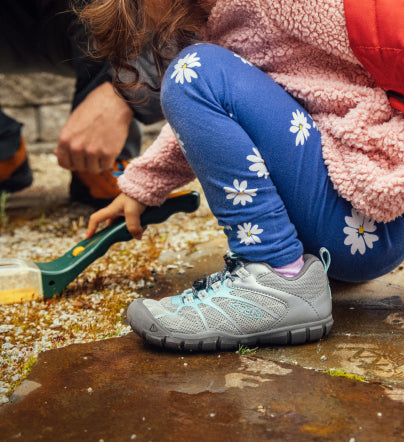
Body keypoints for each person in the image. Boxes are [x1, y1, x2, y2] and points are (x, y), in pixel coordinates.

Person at [83, 0, 404, 351]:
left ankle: (276, 278)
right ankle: (286, 271)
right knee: (199, 75)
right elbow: (218, 115)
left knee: (194, 72)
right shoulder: (230, 18)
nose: (144, 20)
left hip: (365, 214)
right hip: (356, 231)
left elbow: (387, 31)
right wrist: (142, 185)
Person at [0, 0, 163, 206]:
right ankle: (4, 153)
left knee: (111, 8)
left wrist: (125, 87)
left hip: (92, 15)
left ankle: (102, 166)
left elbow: (205, 14)